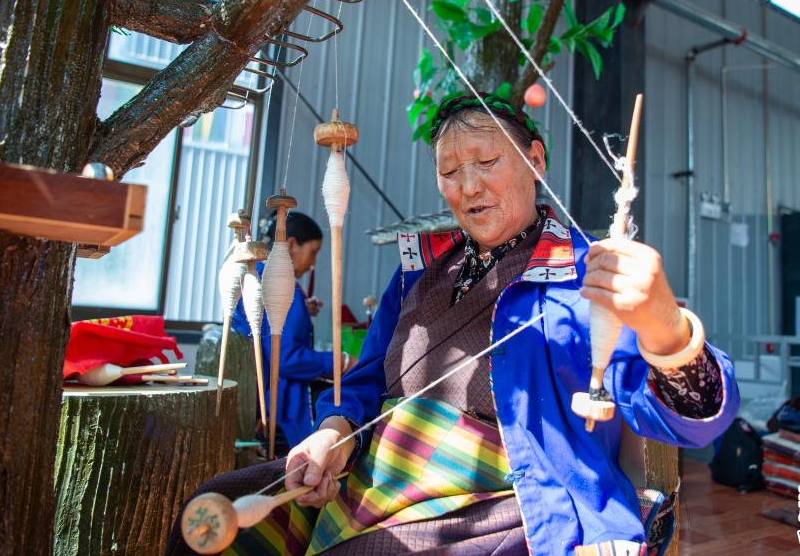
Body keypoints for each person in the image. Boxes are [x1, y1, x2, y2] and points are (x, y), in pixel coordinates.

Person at [168, 93, 740, 556]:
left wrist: (666, 328)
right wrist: (333, 433)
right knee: (217, 504)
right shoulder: (419, 271)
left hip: (503, 493)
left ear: (535, 161)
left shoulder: (586, 275)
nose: (468, 187)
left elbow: (692, 424)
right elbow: (367, 379)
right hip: (381, 468)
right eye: (449, 171)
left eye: (487, 163)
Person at [232, 211, 357, 456]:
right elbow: (286, 359)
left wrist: (301, 309)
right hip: (275, 408)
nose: (313, 263)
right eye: (313, 252)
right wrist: (342, 362)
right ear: (290, 244)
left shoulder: (257, 275)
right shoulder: (283, 285)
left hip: (251, 399)